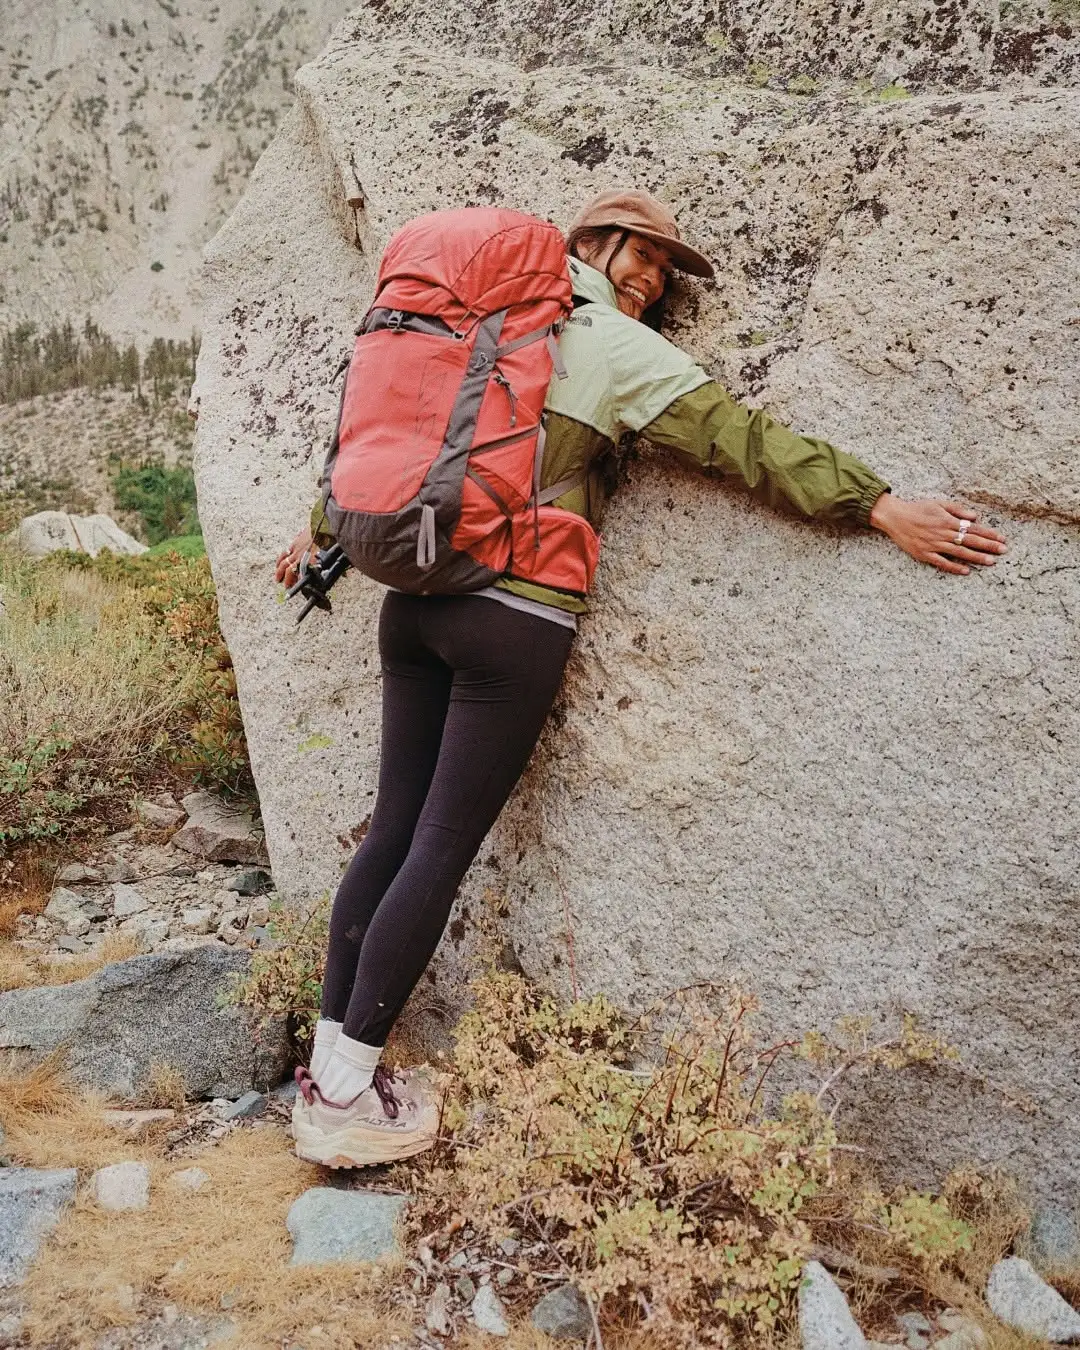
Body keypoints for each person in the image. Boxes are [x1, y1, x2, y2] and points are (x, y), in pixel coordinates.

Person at [277, 189, 1007, 1168]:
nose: (654, 280)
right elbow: (744, 442)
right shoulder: (620, 349)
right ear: (592, 245)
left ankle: (328, 1076)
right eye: (646, 257)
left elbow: (382, 437)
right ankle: (349, 1099)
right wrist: (876, 507)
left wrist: (319, 534)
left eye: (664, 271)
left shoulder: (463, 327)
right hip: (514, 619)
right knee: (439, 847)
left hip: (411, 602)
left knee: (393, 832)